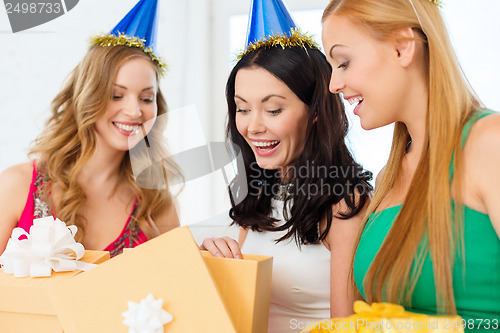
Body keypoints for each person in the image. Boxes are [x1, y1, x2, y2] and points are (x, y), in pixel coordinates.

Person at [321, 0, 500, 330]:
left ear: (403, 48)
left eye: (343, 62)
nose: (333, 85)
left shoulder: (489, 142)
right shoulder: (388, 177)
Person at [201, 1, 373, 331]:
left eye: (273, 110)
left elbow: (348, 327)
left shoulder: (345, 203)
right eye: (242, 109)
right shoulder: (258, 194)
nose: (253, 127)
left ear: (316, 111)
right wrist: (209, 261)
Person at [0, 0, 180, 257]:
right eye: (117, 95)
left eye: (146, 98)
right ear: (88, 97)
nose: (135, 111)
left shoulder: (158, 206)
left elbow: (178, 290)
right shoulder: (16, 185)